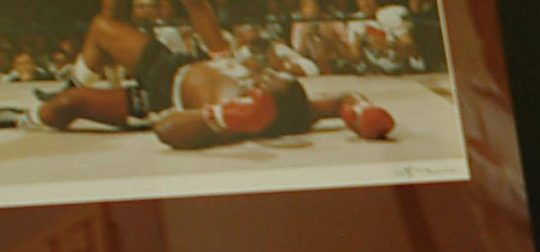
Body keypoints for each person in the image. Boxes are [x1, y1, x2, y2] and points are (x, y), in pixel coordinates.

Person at [38, 0, 393, 148]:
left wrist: (225, 117)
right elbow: (342, 100)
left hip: (164, 89)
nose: (263, 74)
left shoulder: (242, 107)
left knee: (68, 101)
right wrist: (360, 112)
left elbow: (166, 130)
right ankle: (71, 84)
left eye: (266, 80)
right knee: (193, 5)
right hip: (191, 62)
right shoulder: (299, 107)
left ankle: (34, 115)